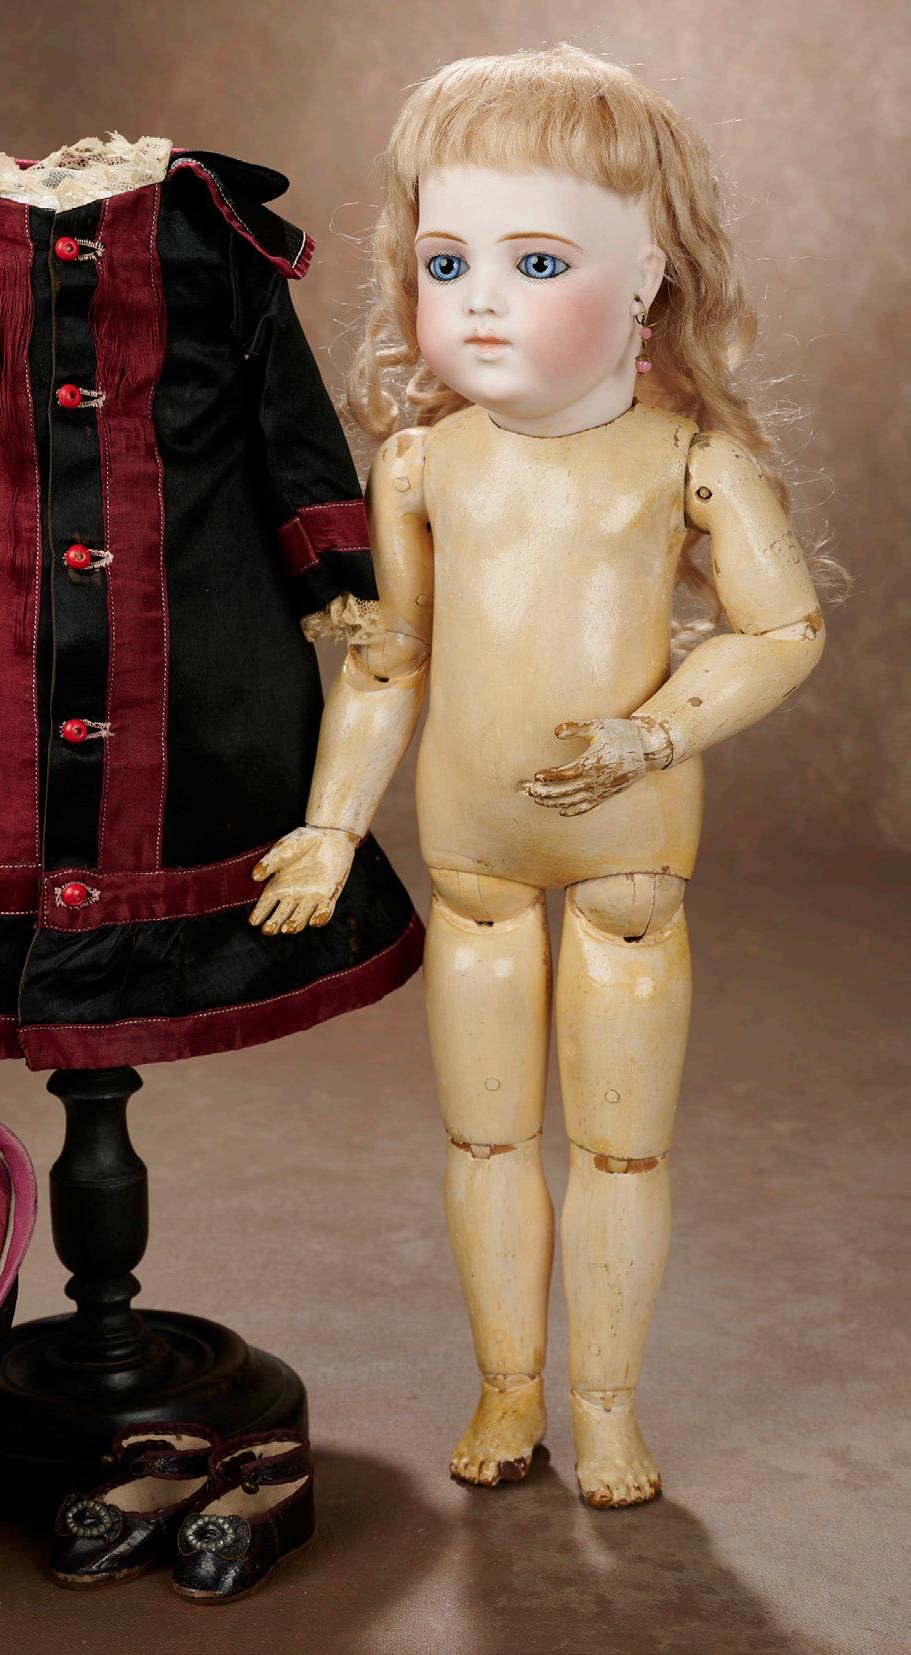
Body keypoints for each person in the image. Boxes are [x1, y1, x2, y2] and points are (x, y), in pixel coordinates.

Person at [248, 44, 843, 1507]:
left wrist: (660, 729)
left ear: (650, 278)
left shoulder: (686, 460)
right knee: (485, 1135)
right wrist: (331, 827)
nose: (481, 301)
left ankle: (607, 1406)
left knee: (624, 1150)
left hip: (631, 858)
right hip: (473, 865)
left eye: (536, 261)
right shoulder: (422, 467)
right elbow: (390, 662)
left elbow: (782, 629)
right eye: (447, 261)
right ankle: (510, 1387)